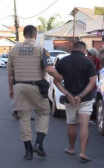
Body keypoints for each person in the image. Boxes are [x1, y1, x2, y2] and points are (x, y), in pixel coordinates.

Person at [7, 25, 62, 160]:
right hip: (36, 86)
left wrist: (10, 89)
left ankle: (28, 151)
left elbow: (10, 74)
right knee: (43, 112)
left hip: (19, 87)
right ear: (35, 35)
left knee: (24, 119)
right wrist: (60, 77)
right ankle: (39, 143)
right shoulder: (40, 49)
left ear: (24, 35)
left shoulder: (13, 50)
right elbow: (49, 69)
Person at [54, 41, 96, 163]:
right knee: (84, 125)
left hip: (70, 99)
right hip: (85, 99)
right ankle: (83, 152)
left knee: (72, 123)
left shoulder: (63, 61)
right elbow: (92, 82)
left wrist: (68, 94)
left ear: (72, 48)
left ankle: (72, 149)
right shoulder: (89, 62)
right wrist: (80, 96)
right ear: (84, 50)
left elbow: (56, 81)